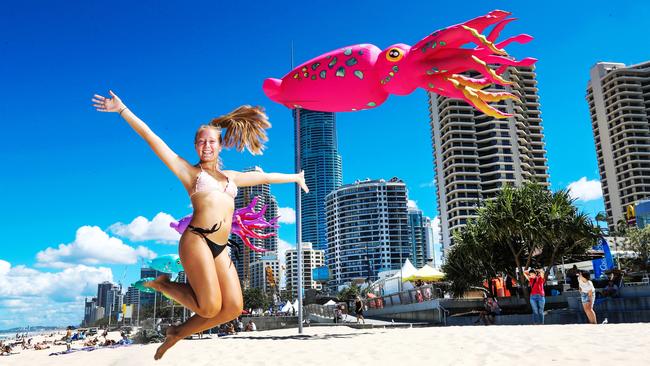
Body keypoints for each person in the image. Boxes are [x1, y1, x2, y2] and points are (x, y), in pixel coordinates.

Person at [92, 91, 308, 360]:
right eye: (201, 142)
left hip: (221, 247)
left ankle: (177, 332)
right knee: (209, 307)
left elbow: (264, 176)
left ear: (220, 145)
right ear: (196, 146)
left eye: (212, 142)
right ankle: (165, 285)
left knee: (231, 308)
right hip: (196, 239)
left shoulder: (231, 177)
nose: (206, 146)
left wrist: (295, 177)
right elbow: (153, 139)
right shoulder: (190, 173)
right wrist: (122, 109)